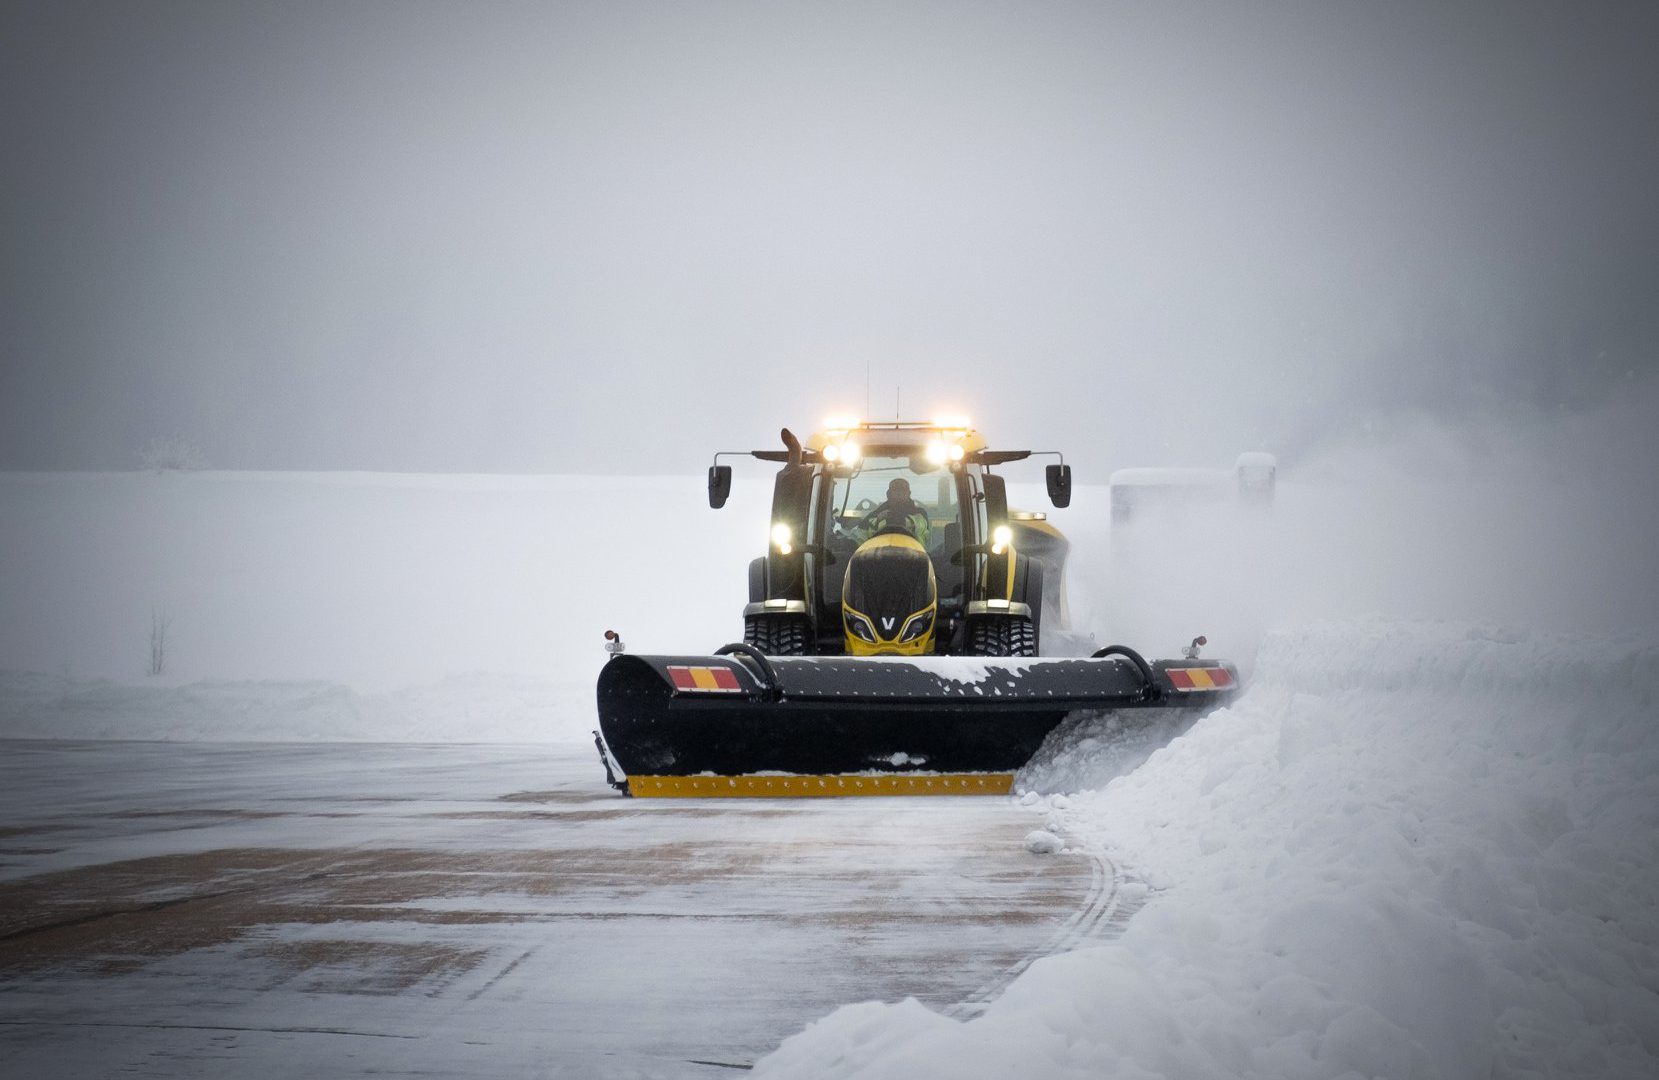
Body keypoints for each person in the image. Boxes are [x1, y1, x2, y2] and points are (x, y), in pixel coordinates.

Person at [856, 478, 931, 544]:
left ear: (909, 494)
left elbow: (921, 527)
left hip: (916, 557)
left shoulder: (919, 513)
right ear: (888, 494)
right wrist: (878, 520)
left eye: (903, 491)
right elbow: (859, 536)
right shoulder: (875, 515)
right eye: (895, 490)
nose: (899, 494)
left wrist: (905, 521)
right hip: (879, 557)